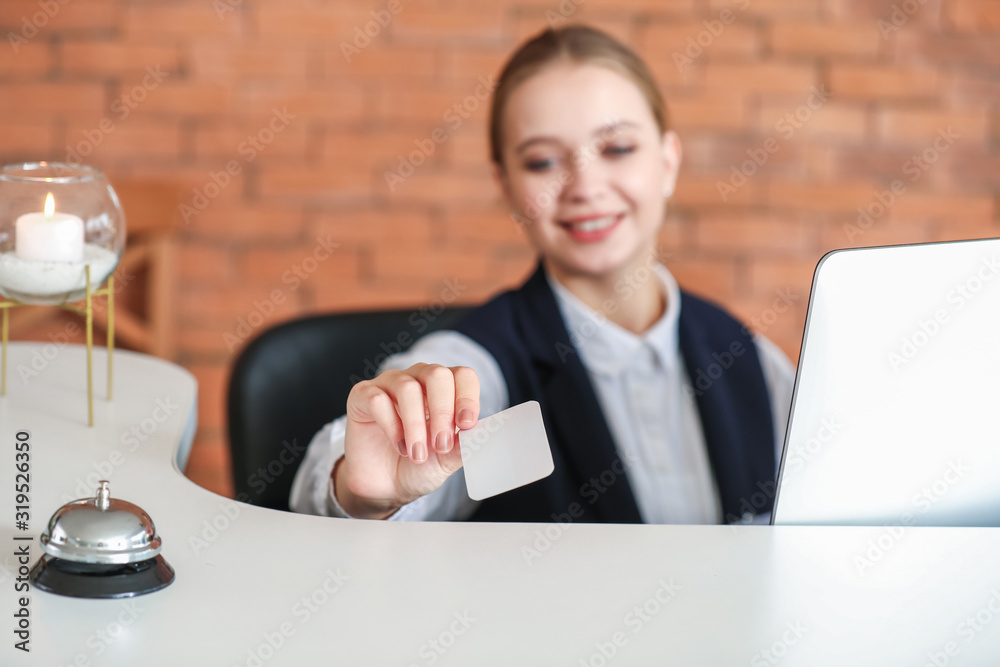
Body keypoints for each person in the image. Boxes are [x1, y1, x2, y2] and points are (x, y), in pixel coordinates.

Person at [289, 24, 794, 524]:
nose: (585, 186)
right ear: (505, 185)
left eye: (617, 149)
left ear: (668, 161)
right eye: (544, 161)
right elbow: (344, 487)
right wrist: (366, 491)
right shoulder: (488, 373)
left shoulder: (749, 358)